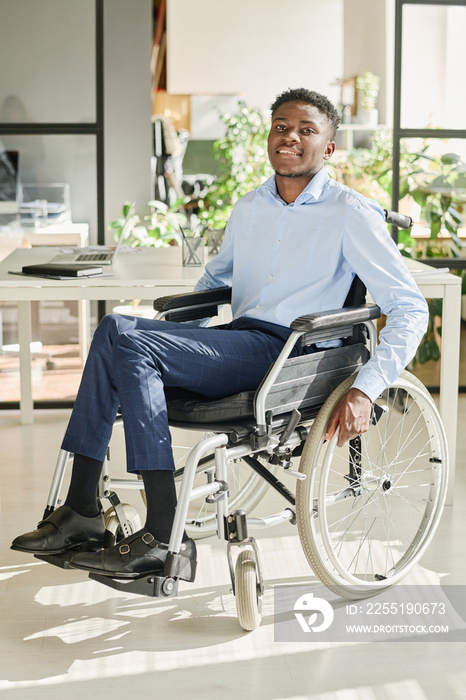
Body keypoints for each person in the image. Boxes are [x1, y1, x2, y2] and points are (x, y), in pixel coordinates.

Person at [11, 88, 429, 582]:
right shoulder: (251, 207)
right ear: (268, 136)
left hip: (289, 353)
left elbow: (409, 308)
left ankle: (151, 529)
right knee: (117, 334)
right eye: (281, 126)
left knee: (122, 334)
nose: (290, 137)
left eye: (306, 130)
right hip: (238, 341)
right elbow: (214, 282)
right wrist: (174, 344)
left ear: (329, 148)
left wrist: (366, 387)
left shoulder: (350, 213)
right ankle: (88, 512)